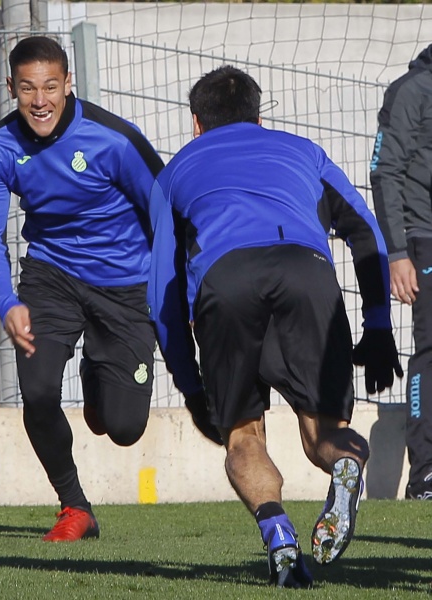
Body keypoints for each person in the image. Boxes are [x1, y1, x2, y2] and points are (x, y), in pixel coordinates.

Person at [148, 65, 403, 588]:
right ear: (260, 118)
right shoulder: (304, 152)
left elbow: (161, 291)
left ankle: (280, 539)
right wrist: (378, 324)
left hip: (227, 279)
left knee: (243, 437)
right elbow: (365, 231)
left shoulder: (174, 172)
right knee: (324, 435)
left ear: (196, 123)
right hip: (306, 270)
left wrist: (190, 385)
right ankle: (346, 467)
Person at [0, 35, 219, 543]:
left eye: (50, 86)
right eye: (27, 88)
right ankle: (74, 507)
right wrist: (7, 303)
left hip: (125, 285)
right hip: (50, 278)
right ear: (11, 88)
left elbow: (167, 216)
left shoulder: (113, 140)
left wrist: (185, 293)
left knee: (124, 428)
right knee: (38, 392)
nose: (40, 100)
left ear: (68, 83)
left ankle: (97, 374)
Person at [370, 43, 432, 501]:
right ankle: (425, 475)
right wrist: (397, 252)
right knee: (430, 353)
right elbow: (385, 172)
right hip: (424, 237)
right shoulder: (412, 90)